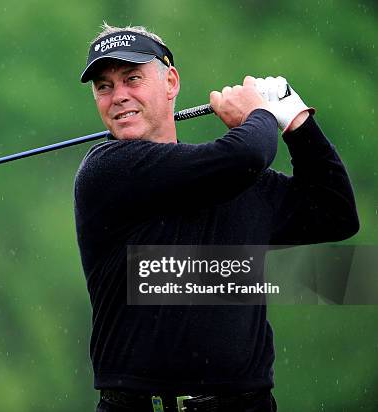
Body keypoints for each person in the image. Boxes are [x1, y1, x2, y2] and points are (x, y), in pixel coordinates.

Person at [73, 23, 359, 412]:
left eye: (132, 78)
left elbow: (334, 212)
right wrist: (260, 113)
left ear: (170, 82)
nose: (119, 96)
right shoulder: (106, 170)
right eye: (104, 86)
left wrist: (297, 122)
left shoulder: (235, 180)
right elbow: (244, 155)